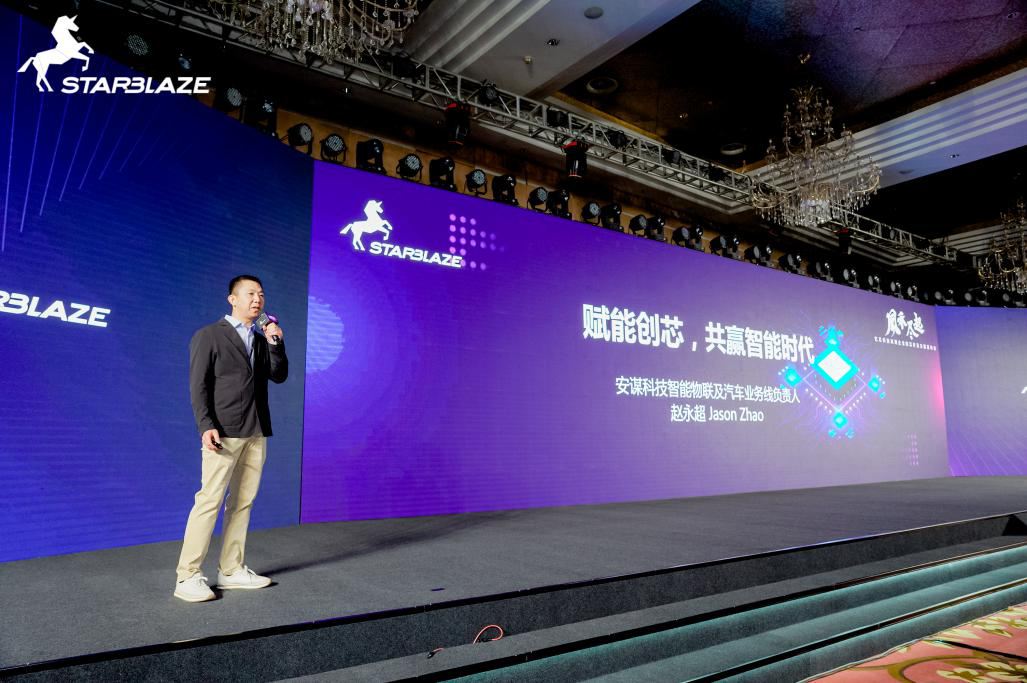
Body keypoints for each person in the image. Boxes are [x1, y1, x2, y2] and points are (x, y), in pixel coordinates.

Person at [174, 275, 288, 602]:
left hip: (256, 431)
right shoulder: (209, 335)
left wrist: (276, 343)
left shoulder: (262, 338)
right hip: (223, 432)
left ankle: (231, 570)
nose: (257, 299)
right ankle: (187, 576)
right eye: (250, 293)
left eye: (261, 294)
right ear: (232, 299)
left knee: (242, 503)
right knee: (209, 501)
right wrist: (205, 424)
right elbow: (198, 385)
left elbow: (279, 375)